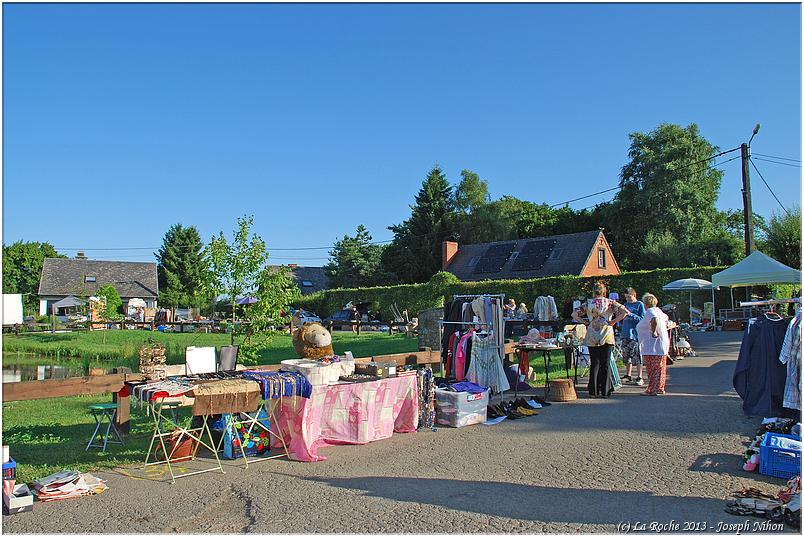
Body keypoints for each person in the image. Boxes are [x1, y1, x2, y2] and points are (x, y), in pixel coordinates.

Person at [572, 282, 630, 398]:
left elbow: (574, 314)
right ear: (604, 291)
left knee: (594, 364)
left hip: (592, 335)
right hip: (607, 335)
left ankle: (593, 391)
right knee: (605, 364)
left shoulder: (588, 303)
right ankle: (605, 391)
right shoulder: (610, 303)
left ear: (593, 292)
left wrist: (585, 322)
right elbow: (625, 312)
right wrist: (613, 321)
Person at [636, 293, 671, 396]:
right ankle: (660, 387)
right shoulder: (659, 311)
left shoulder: (650, 311)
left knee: (653, 367)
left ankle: (652, 389)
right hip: (661, 343)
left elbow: (654, 319)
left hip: (652, 345)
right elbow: (666, 319)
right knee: (660, 367)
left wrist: (654, 331)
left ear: (645, 303)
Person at [620, 287, 646, 386]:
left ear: (634, 295)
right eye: (626, 298)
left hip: (635, 334)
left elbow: (642, 319)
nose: (628, 300)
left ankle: (639, 376)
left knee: (637, 356)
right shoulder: (625, 305)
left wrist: (630, 314)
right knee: (627, 356)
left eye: (629, 297)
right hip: (625, 333)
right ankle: (628, 375)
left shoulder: (639, 305)